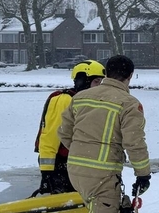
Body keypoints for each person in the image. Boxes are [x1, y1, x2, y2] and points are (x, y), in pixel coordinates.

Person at [58, 55, 151, 213]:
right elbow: (134, 142)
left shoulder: (80, 97)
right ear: (130, 77)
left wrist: (81, 153)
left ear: (106, 73)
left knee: (111, 212)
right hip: (102, 173)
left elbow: (64, 132)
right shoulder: (129, 103)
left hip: (76, 171)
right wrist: (143, 174)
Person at [32, 60, 105, 196]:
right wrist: (47, 173)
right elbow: (50, 136)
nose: (99, 86)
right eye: (96, 81)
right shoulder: (64, 100)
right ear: (83, 80)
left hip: (78, 164)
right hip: (60, 164)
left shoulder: (90, 102)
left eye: (101, 82)